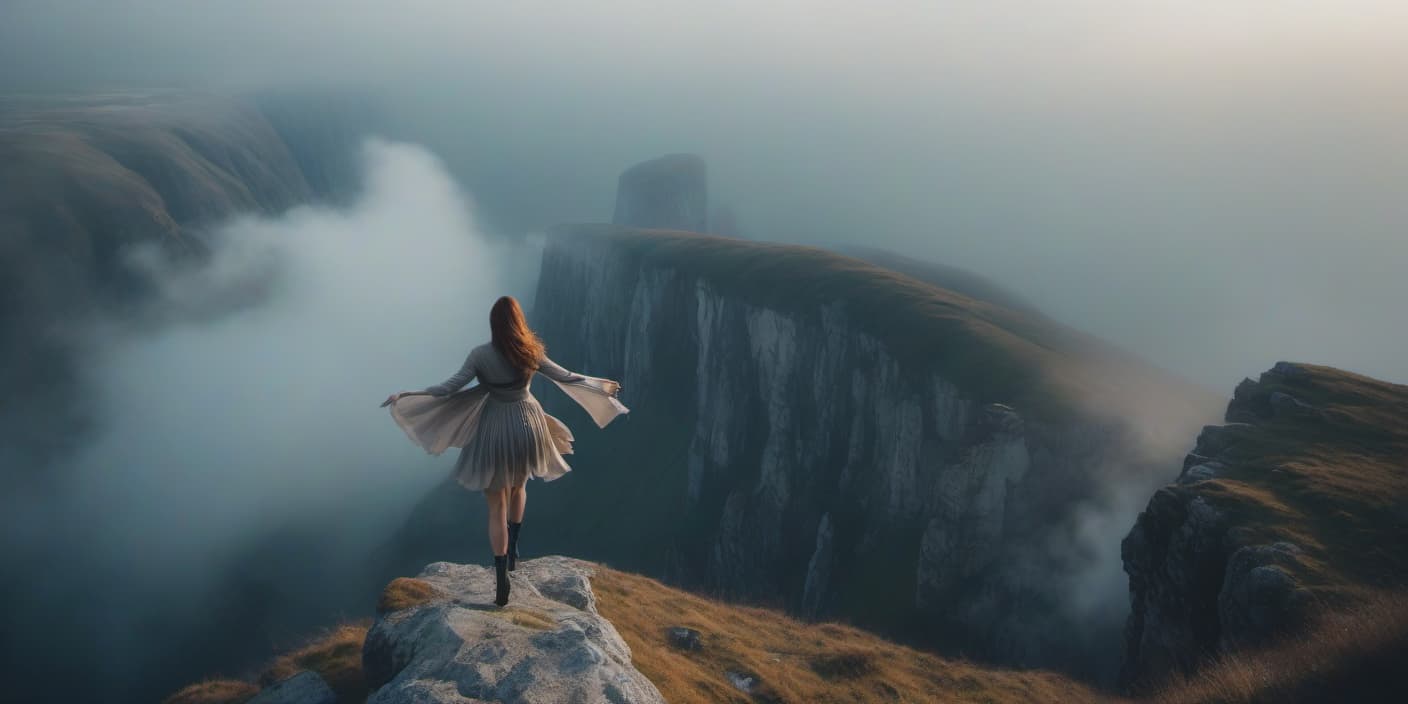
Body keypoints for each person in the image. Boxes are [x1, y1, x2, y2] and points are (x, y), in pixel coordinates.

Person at [381, 295, 628, 606]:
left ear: (493, 324)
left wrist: (407, 394)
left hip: (496, 428)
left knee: (495, 503)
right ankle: (514, 552)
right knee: (519, 487)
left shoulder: (480, 355)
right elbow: (566, 377)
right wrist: (601, 386)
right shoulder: (532, 351)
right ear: (518, 321)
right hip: (529, 425)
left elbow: (449, 388)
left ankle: (501, 577)